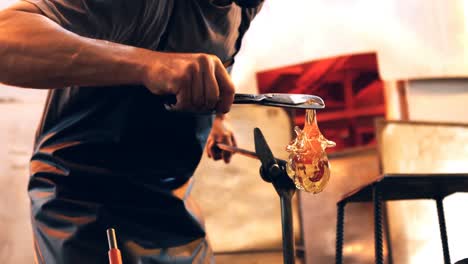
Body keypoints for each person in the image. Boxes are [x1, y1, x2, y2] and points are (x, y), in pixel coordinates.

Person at [0, 0, 264, 263]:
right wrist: (149, 65)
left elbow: (220, 54)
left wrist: (218, 118)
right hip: (87, 206)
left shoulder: (246, 7)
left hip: (171, 205)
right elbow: (5, 37)